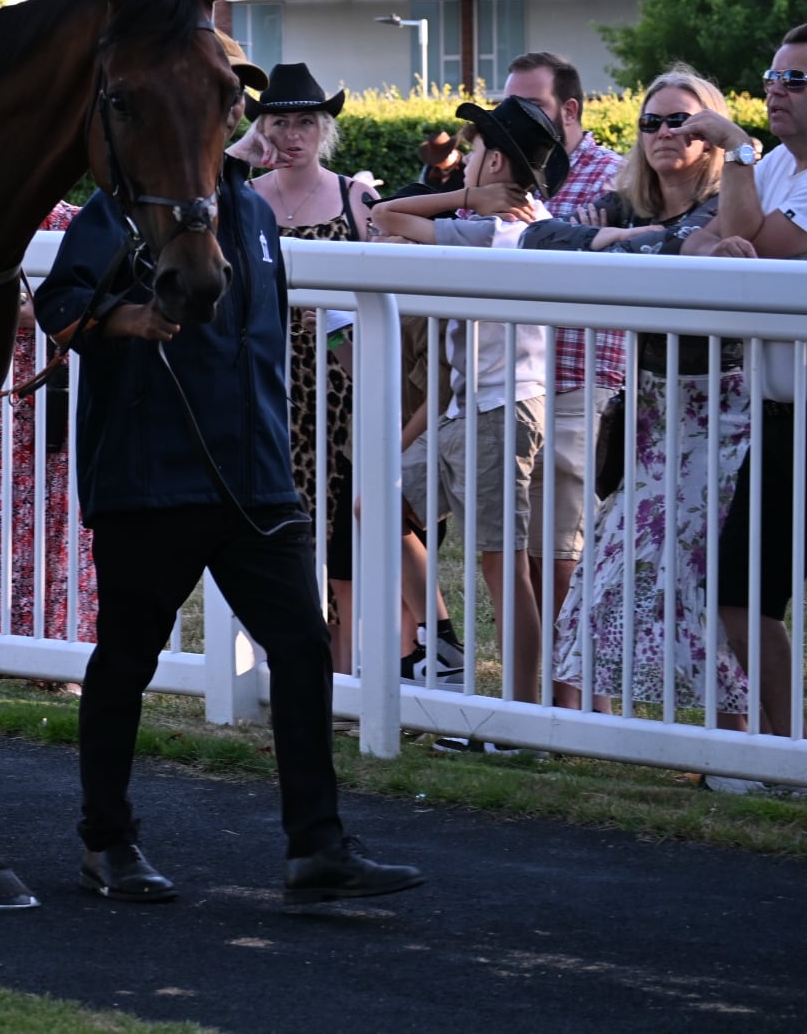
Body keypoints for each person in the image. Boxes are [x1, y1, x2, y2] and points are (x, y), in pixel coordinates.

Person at [34, 37, 421, 905]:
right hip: (152, 477)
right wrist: (128, 320)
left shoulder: (253, 214)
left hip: (255, 480)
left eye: (233, 100)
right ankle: (107, 841)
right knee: (127, 658)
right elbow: (55, 304)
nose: (232, 113)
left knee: (303, 646)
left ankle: (316, 848)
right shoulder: (127, 205)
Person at [523, 69, 759, 726]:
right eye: (650, 123)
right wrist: (636, 243)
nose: (663, 133)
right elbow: (541, 237)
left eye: (681, 121)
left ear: (710, 132)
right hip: (649, 414)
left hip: (723, 412)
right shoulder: (626, 206)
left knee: (698, 586)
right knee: (606, 582)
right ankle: (599, 731)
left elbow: (737, 235)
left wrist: (740, 145)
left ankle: (741, 737)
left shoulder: (730, 195)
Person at [371, 96, 571, 704]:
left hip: (499, 411)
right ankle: (444, 639)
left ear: (495, 164)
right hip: (464, 410)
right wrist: (466, 197)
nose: (467, 158)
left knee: (502, 566)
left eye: (477, 148)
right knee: (376, 505)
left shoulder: (497, 225)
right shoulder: (511, 217)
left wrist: (462, 200)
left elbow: (386, 215)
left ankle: (518, 713)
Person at [683, 24, 807, 736]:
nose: (775, 90)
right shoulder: (777, 168)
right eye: (773, 75)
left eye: (795, 80)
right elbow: (714, 239)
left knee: (748, 593)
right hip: (779, 413)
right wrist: (726, 227)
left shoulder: (762, 161)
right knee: (740, 594)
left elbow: (762, 244)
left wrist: (736, 147)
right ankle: (786, 750)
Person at [236, 62, 375, 673]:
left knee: (341, 536)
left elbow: (387, 301)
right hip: (261, 384)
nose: (291, 135)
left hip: (341, 388)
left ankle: (341, 674)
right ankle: (273, 664)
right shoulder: (241, 198)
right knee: (269, 528)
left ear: (324, 130)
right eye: (278, 121)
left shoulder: (357, 198)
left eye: (304, 123)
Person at [501, 52, 627, 617]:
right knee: (522, 552)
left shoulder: (616, 177)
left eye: (530, 106)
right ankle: (543, 694)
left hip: (582, 384)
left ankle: (581, 701)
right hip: (516, 387)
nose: (515, 117)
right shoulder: (507, 170)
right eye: (510, 105)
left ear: (569, 109)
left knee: (562, 556)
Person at [0, 201, 96, 643]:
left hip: (67, 391)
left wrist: (43, 310)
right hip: (1, 395)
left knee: (65, 514)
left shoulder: (80, 221)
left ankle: (62, 639)